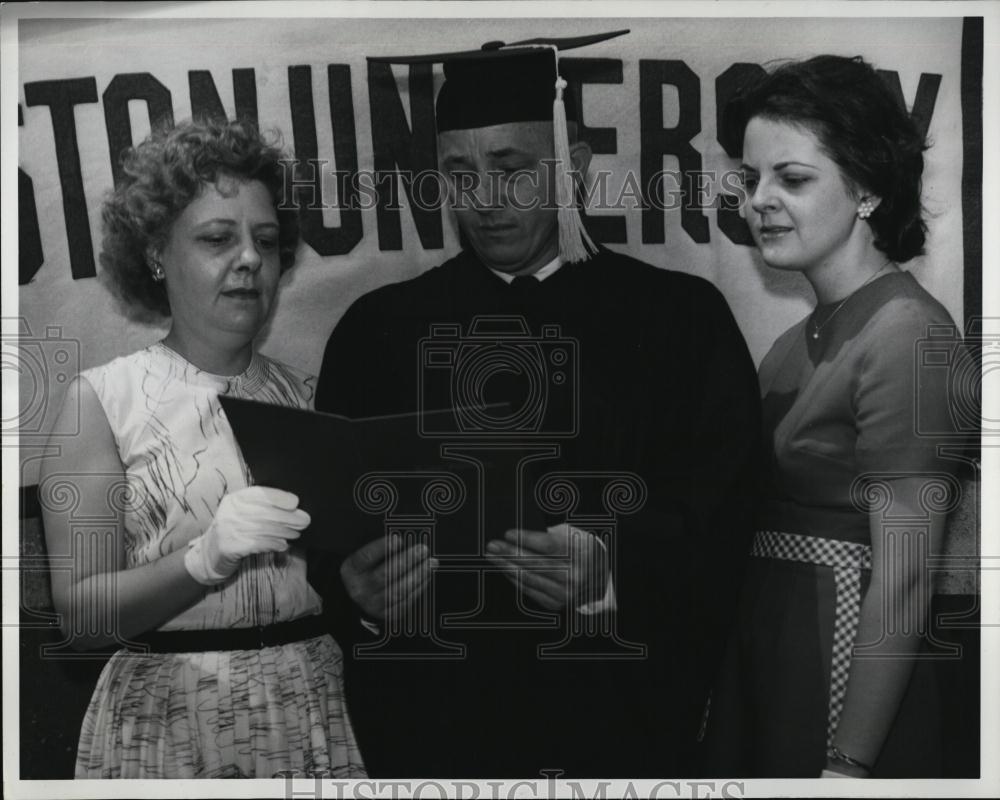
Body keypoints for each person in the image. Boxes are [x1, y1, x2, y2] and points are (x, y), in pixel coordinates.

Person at [314, 33, 761, 777]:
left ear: (573, 169)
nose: (484, 200)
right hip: (434, 729)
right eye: (459, 172)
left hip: (619, 721)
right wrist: (355, 595)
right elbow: (331, 524)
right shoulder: (377, 333)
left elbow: (725, 508)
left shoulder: (679, 320)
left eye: (511, 169)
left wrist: (612, 568)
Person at [39, 119, 365, 779]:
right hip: (169, 722)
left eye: (266, 241)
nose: (248, 259)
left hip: (313, 710)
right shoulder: (102, 401)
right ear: (157, 253)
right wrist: (203, 559)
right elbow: (80, 616)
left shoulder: (309, 398)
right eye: (218, 238)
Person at [704, 55, 963, 778]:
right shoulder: (792, 344)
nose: (759, 199)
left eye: (792, 178)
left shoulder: (908, 332)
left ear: (869, 189)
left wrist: (848, 766)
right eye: (750, 178)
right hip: (773, 656)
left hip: (846, 672)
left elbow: (907, 576)